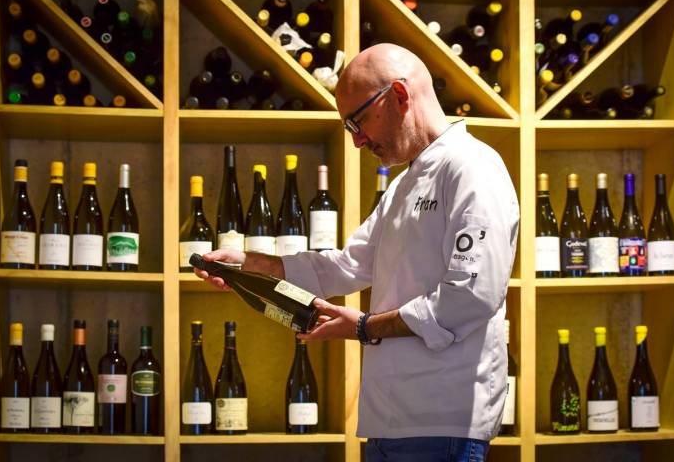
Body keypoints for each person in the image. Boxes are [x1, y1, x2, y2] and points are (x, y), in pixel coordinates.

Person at [195, 43, 519, 462]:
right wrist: (248, 262)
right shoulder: (404, 184)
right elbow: (346, 265)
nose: (356, 140)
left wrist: (365, 326)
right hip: (387, 423)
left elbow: (470, 296)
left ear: (400, 95)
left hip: (444, 422)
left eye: (358, 120)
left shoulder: (472, 167)